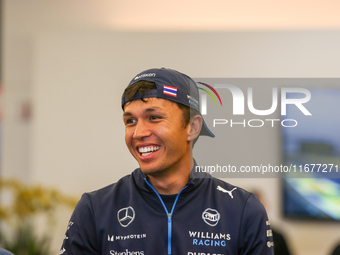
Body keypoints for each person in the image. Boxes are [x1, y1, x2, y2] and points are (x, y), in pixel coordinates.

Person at [60, 67, 274, 255]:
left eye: (154, 117)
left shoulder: (243, 210)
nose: (138, 133)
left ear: (192, 127)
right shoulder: (95, 209)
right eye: (130, 121)